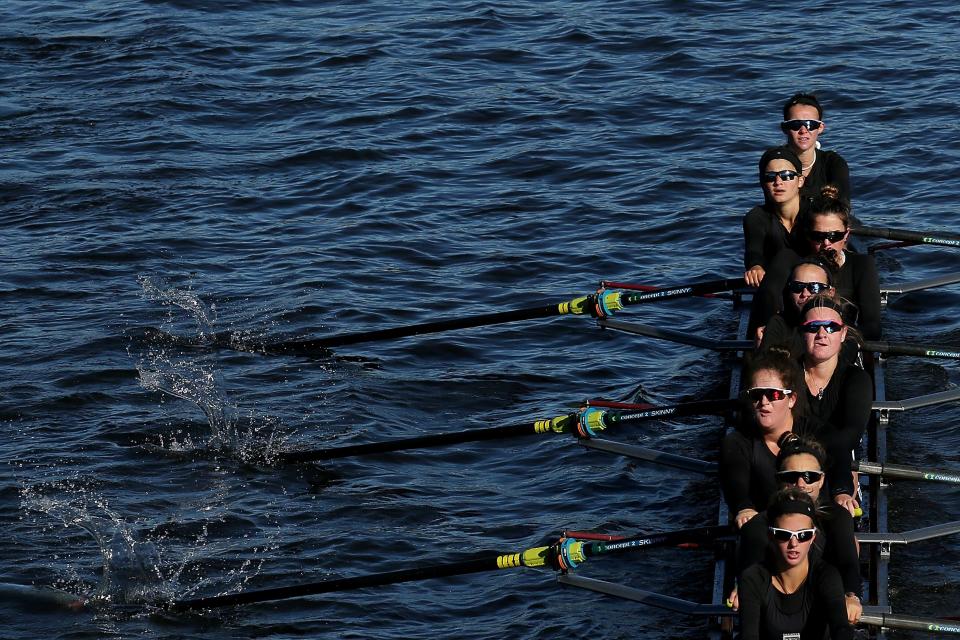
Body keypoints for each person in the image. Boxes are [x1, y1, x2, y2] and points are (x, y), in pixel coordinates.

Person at [736, 435, 863, 625]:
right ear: (779, 480)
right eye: (791, 477)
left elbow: (848, 563)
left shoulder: (837, 517)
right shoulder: (758, 524)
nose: (801, 484)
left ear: (821, 481)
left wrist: (852, 596)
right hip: (777, 610)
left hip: (823, 603)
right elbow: (751, 564)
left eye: (810, 477)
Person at [751, 186, 882, 341]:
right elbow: (768, 296)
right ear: (807, 234)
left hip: (840, 341)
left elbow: (873, 327)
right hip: (795, 341)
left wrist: (833, 338)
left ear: (847, 234)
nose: (827, 243)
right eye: (818, 236)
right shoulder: (788, 258)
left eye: (834, 236)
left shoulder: (862, 264)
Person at [737, 487, 854, 640]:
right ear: (770, 536)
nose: (793, 544)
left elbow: (841, 630)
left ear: (813, 537)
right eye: (783, 535)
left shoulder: (827, 576)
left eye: (803, 535)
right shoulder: (753, 578)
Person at [798, 295, 873, 517]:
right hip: (792, 459)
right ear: (802, 333)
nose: (821, 334)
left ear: (843, 334)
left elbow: (848, 436)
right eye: (813, 327)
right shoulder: (787, 375)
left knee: (841, 512)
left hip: (840, 461)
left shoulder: (856, 379)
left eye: (831, 327)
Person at [720, 349, 811, 530]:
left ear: (791, 399)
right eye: (756, 395)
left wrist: (844, 491)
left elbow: (839, 460)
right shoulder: (737, 443)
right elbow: (735, 483)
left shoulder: (814, 432)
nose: (763, 402)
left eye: (773, 394)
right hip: (764, 529)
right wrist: (743, 507)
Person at [742, 147, 809, 287]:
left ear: (800, 181)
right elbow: (754, 250)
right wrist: (755, 267)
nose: (778, 182)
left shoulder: (816, 212)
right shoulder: (755, 217)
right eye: (770, 177)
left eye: (787, 175)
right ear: (762, 183)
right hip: (777, 284)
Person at [780, 92, 850, 204]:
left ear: (820, 127)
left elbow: (842, 206)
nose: (803, 131)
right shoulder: (774, 163)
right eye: (795, 125)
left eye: (810, 124)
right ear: (784, 128)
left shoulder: (834, 163)